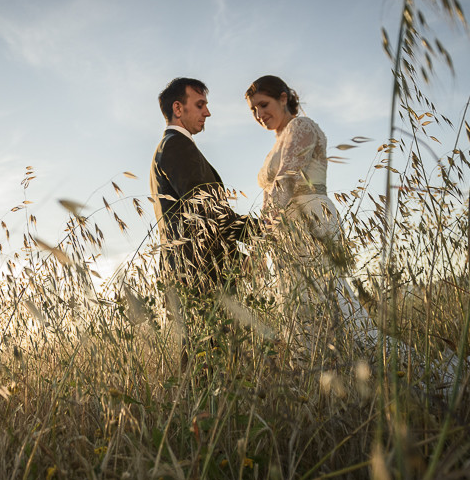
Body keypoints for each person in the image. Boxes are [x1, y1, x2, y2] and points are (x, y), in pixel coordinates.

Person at [243, 75, 376, 358]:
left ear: (283, 98)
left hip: (310, 217)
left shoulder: (301, 127)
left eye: (263, 105)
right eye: (254, 110)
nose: (259, 114)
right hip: (284, 227)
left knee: (326, 294)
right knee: (297, 303)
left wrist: (258, 244)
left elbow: (286, 180)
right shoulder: (276, 143)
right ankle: (315, 370)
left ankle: (372, 358)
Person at [150, 77, 253, 370]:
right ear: (178, 108)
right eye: (201, 104)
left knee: (203, 360)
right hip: (199, 274)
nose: (207, 112)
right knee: (206, 365)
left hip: (190, 270)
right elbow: (208, 214)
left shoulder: (173, 147)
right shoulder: (176, 147)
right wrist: (263, 230)